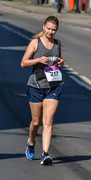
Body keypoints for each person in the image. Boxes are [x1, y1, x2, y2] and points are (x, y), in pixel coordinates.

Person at [21, 16, 64, 165]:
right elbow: (23, 63)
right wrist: (37, 60)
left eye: (53, 30)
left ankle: (45, 153)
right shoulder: (35, 43)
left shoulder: (57, 44)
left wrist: (60, 63)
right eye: (48, 28)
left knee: (48, 120)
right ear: (44, 26)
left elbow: (57, 63)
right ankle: (31, 141)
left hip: (53, 86)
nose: (50, 32)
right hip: (36, 86)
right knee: (35, 121)